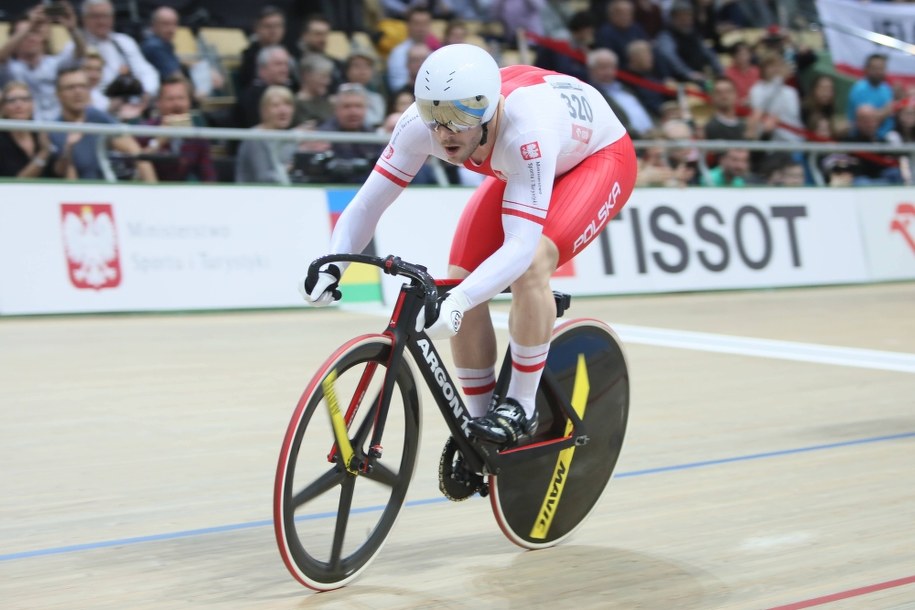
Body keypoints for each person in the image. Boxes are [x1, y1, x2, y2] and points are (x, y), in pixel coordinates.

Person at [300, 44, 637, 448]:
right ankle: (478, 430)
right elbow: (369, 202)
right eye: (434, 117)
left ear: (489, 109)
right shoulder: (419, 126)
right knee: (460, 277)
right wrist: (332, 264)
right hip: (523, 160)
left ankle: (521, 407)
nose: (443, 133)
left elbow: (519, 246)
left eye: (460, 118)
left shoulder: (525, 129)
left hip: (596, 159)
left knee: (530, 265)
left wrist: (458, 304)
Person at [50, 65, 156, 181]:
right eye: (70, 87)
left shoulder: (98, 117)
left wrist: (153, 192)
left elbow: (135, 151)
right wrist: (68, 149)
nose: (78, 92)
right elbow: (63, 174)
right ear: (58, 94)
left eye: (83, 86)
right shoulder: (53, 129)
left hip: (106, 191)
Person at [0, 2, 86, 121]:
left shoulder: (54, 63)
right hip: (23, 124)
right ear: (15, 37)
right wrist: (29, 26)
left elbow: (80, 54)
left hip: (56, 124)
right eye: (25, 34)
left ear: (44, 36)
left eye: (35, 32)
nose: (30, 37)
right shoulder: (10, 68)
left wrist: (72, 29)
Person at [69, 0, 159, 98]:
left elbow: (147, 72)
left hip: (131, 102)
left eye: (105, 16)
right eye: (95, 16)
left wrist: (146, 94)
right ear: (84, 18)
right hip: (95, 105)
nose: (101, 21)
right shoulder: (74, 47)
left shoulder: (125, 42)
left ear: (113, 18)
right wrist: (108, 104)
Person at [140, 75, 216, 182]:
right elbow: (134, 166)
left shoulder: (198, 136)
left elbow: (208, 176)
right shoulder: (145, 129)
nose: (176, 104)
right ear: (159, 103)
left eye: (181, 98)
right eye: (170, 99)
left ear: (189, 102)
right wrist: (157, 142)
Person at [235, 86, 296, 184]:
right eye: (276, 106)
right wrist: (286, 170)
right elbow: (263, 178)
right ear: (264, 111)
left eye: (288, 105)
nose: (283, 111)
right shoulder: (255, 138)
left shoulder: (292, 137)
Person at [0, 81, 58, 177]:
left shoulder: (42, 132)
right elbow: (16, 184)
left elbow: (58, 174)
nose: (18, 105)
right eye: (11, 100)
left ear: (33, 105)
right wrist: (44, 153)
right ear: (2, 107)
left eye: (25, 99)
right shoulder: (2, 138)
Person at [139, 6, 183, 81]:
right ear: (154, 25)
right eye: (166, 24)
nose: (171, 29)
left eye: (174, 24)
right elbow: (176, 77)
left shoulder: (165, 43)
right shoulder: (154, 45)